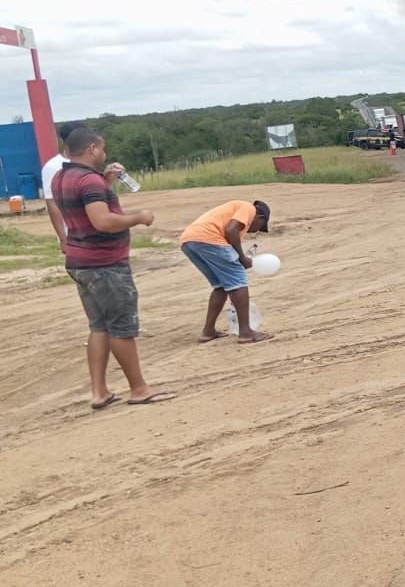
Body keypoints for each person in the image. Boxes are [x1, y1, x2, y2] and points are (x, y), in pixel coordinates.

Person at [51, 124, 174, 409]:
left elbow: (85, 206)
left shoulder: (61, 177)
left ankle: (100, 391)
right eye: (102, 149)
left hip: (80, 261)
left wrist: (105, 181)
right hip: (104, 263)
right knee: (121, 328)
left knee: (99, 327)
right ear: (92, 148)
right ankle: (139, 389)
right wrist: (139, 217)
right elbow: (103, 221)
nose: (104, 154)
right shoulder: (89, 181)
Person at [178, 199, 273, 343]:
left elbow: (228, 238)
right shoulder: (248, 208)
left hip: (189, 241)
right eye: (261, 226)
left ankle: (208, 331)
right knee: (239, 282)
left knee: (221, 286)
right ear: (259, 215)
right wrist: (242, 258)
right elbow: (230, 230)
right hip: (209, 238)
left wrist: (237, 257)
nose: (256, 230)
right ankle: (246, 332)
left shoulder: (232, 211)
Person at [42, 122, 127, 255]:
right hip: (77, 236)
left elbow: (93, 194)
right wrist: (63, 238)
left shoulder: (86, 160)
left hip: (98, 234)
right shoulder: (53, 167)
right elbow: (52, 203)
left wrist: (107, 179)